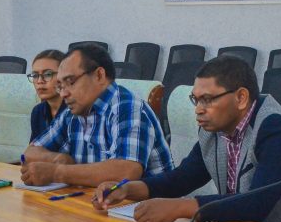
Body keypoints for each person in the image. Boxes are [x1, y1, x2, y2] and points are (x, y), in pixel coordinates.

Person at [92, 55, 281, 222]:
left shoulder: (276, 130)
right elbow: (182, 178)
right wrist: (128, 189)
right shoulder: (214, 130)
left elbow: (256, 203)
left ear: (241, 98)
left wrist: (180, 207)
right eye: (196, 100)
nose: (198, 109)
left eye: (207, 100)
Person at [21, 44, 172, 186]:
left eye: (70, 82)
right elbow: (30, 152)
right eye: (61, 86)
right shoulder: (71, 114)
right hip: (94, 200)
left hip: (145, 203)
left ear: (99, 75)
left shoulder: (128, 108)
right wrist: (57, 158)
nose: (64, 93)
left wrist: (57, 172)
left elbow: (126, 171)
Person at [28, 49, 67, 141]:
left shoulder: (76, 111)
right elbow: (34, 148)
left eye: (48, 74)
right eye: (35, 75)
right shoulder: (38, 111)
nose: (39, 81)